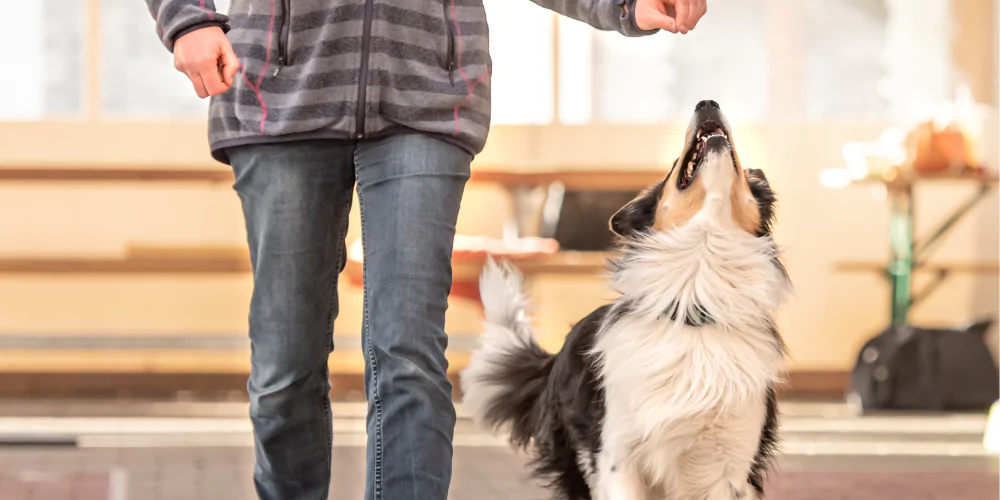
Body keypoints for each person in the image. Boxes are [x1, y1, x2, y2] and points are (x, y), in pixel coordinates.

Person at [145, 0, 707, 498]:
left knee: (407, 353)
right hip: (279, 96)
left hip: (427, 99)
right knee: (285, 365)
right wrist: (186, 19)